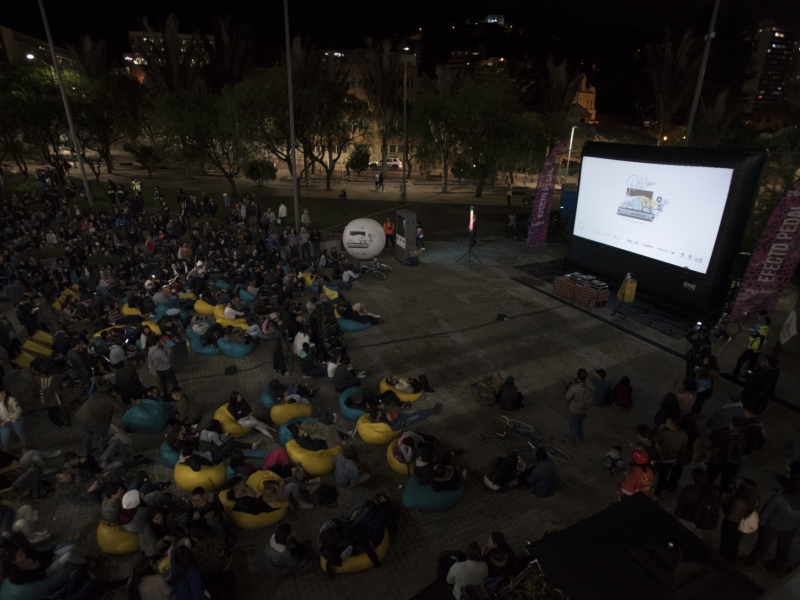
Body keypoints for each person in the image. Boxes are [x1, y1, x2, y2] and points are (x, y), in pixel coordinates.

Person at [744, 480, 800, 574]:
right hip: (789, 530)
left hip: (771, 528)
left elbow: (765, 512)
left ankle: (750, 562)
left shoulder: (778, 498)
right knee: (783, 549)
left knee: (762, 547)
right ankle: (776, 567)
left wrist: (761, 524)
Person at [74, 385, 132, 458]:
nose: (117, 395)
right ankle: (107, 453)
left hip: (81, 416)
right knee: (103, 435)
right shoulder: (110, 399)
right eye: (117, 393)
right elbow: (121, 406)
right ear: (114, 392)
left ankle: (89, 452)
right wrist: (133, 404)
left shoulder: (98, 393)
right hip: (91, 420)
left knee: (88, 434)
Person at [719, 477, 760, 561]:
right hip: (742, 523)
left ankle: (721, 558)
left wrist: (724, 502)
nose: (736, 481)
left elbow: (730, 517)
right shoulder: (755, 498)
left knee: (726, 542)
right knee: (735, 541)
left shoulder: (739, 502)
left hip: (732, 524)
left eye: (739, 482)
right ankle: (731, 557)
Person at [5, 544, 88, 584]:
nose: (24, 554)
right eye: (20, 555)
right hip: (45, 570)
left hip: (46, 561)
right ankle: (88, 562)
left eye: (22, 553)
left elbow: (40, 553)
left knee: (72, 547)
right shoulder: (18, 575)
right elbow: (38, 575)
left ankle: (88, 556)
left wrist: (52, 556)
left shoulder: (27, 554)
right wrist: (52, 571)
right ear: (14, 562)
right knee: (68, 555)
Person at [675, 468, 719, 540]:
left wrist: (678, 515)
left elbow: (681, 507)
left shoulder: (688, 491)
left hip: (687, 520)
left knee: (681, 537)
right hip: (699, 521)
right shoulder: (710, 490)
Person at [707, 416, 746, 494]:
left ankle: (707, 490)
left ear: (730, 424)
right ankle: (722, 494)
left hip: (717, 461)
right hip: (731, 464)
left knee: (710, 478)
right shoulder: (744, 437)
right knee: (725, 481)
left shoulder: (721, 435)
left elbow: (711, 437)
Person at [652, 418, 688, 498]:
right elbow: (683, 450)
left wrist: (659, 430)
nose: (665, 423)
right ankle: (657, 494)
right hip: (671, 460)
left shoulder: (664, 434)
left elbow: (653, 441)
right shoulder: (683, 435)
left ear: (671, 425)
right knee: (663, 477)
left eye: (666, 422)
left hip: (660, 459)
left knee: (651, 472)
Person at [565, 369, 594, 447]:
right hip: (584, 410)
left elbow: (567, 397)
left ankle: (572, 442)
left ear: (577, 376)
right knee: (580, 424)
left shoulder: (574, 387)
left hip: (574, 411)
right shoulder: (589, 385)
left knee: (573, 427)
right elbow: (593, 389)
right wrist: (588, 381)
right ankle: (581, 438)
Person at [371, 404, 442, 431]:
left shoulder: (380, 415)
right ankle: (433, 411)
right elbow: (396, 428)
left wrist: (386, 411)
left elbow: (387, 411)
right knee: (418, 416)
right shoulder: (382, 424)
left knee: (417, 411)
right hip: (402, 422)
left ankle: (432, 410)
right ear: (377, 417)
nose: (380, 412)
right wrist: (390, 420)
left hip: (400, 415)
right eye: (378, 413)